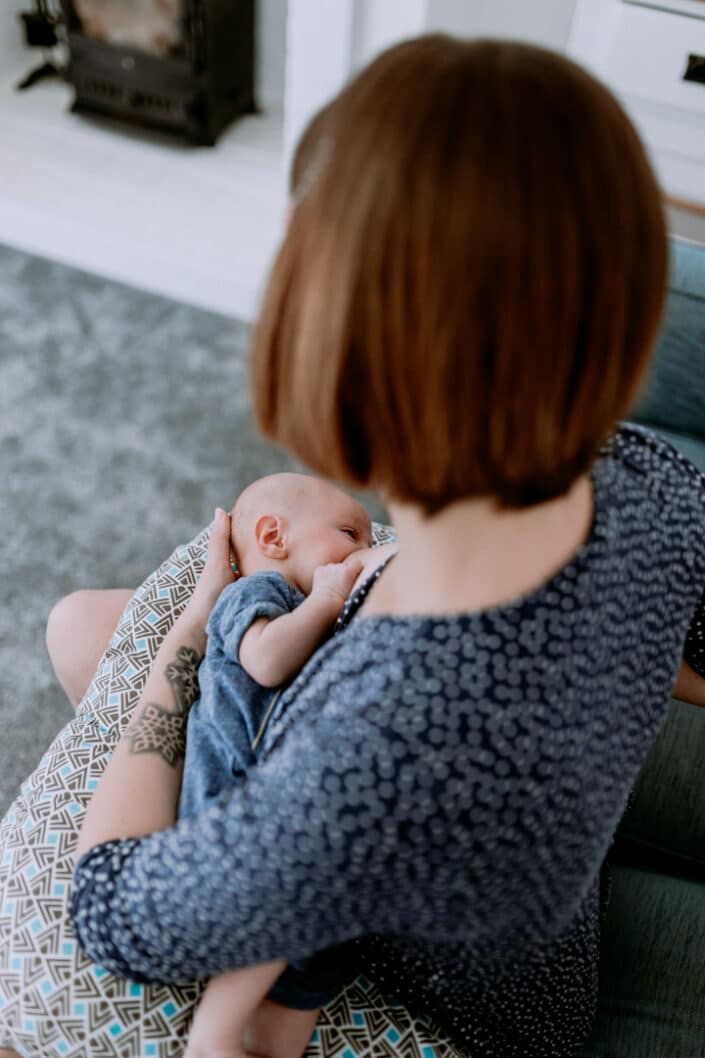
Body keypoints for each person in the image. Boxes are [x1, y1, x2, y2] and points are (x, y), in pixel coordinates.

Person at [59, 33, 705, 1058]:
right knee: (89, 621)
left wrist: (188, 636)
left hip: (468, 1002)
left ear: (350, 352)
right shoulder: (655, 484)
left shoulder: (375, 753)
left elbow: (112, 914)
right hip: (544, 904)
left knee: (97, 641)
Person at [176, 472, 383, 1058]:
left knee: (287, 1020)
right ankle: (214, 1038)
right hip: (238, 819)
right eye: (350, 533)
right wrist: (324, 600)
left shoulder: (328, 613)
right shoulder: (257, 595)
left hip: (314, 871)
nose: (362, 550)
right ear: (272, 536)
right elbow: (266, 662)